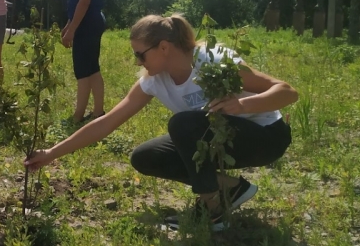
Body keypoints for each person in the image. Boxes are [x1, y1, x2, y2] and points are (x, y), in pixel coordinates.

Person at [25, 14, 298, 231]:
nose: (137, 62)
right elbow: (107, 123)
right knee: (146, 157)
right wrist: (51, 154)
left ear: (164, 47)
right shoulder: (154, 81)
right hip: (221, 143)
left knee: (183, 125)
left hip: (265, 137)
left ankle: (213, 211)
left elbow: (286, 91)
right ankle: (230, 187)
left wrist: (241, 105)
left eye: (140, 54)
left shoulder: (213, 61)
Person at [54, 0, 106, 124]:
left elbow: (84, 2)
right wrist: (68, 25)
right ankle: (98, 112)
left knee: (83, 71)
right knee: (92, 68)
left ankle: (78, 116)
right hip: (90, 21)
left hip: (87, 23)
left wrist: (72, 31)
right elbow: (78, 2)